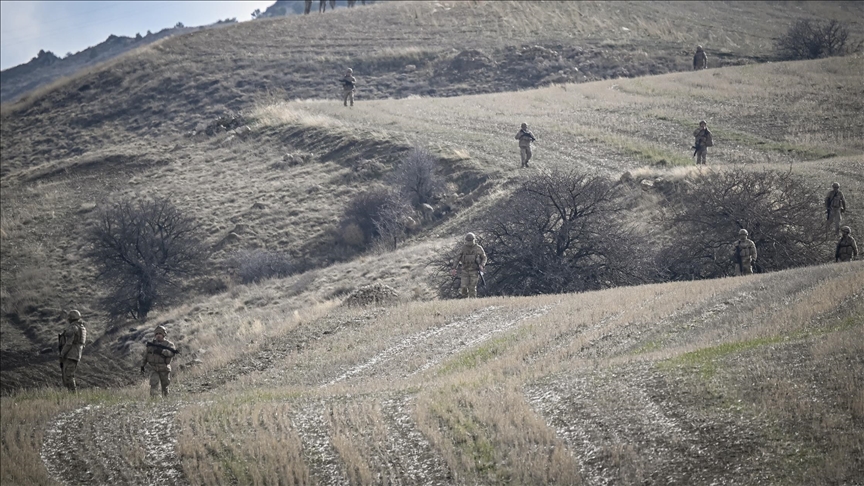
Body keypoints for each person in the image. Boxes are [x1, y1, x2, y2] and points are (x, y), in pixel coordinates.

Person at [141, 325, 179, 398]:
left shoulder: (169, 344)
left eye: (160, 334)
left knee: (165, 386)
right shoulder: (151, 345)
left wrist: (162, 351)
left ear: (164, 334)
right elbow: (146, 355)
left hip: (164, 368)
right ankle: (154, 401)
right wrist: (142, 366)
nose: (158, 336)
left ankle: (165, 400)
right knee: (153, 384)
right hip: (154, 368)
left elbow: (172, 353)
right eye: (157, 334)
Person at [451, 233, 487, 298]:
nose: (469, 242)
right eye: (468, 240)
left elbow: (484, 257)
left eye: (471, 240)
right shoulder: (463, 248)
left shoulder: (478, 248)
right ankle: (465, 300)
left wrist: (482, 265)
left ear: (474, 240)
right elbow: (457, 258)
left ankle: (472, 302)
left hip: (474, 271)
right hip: (465, 270)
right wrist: (454, 268)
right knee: (463, 287)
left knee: (472, 287)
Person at [58, 310, 87, 392]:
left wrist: (62, 354)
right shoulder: (82, 327)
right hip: (77, 354)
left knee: (68, 376)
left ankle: (73, 394)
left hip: (71, 354)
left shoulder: (73, 327)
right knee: (69, 375)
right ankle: (72, 394)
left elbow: (69, 343)